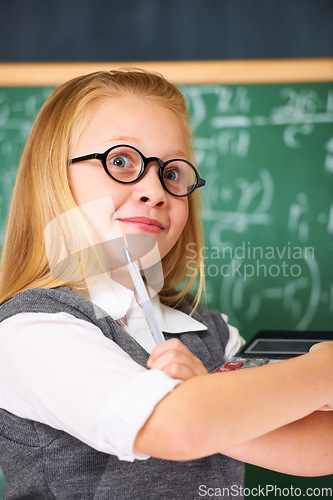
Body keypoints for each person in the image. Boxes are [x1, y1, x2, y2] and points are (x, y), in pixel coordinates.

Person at [0, 69, 332, 500]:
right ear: (53, 177)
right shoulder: (31, 332)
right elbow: (180, 427)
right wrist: (321, 370)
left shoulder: (208, 330)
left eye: (172, 173)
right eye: (120, 161)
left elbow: (321, 445)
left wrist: (209, 399)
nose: (155, 190)